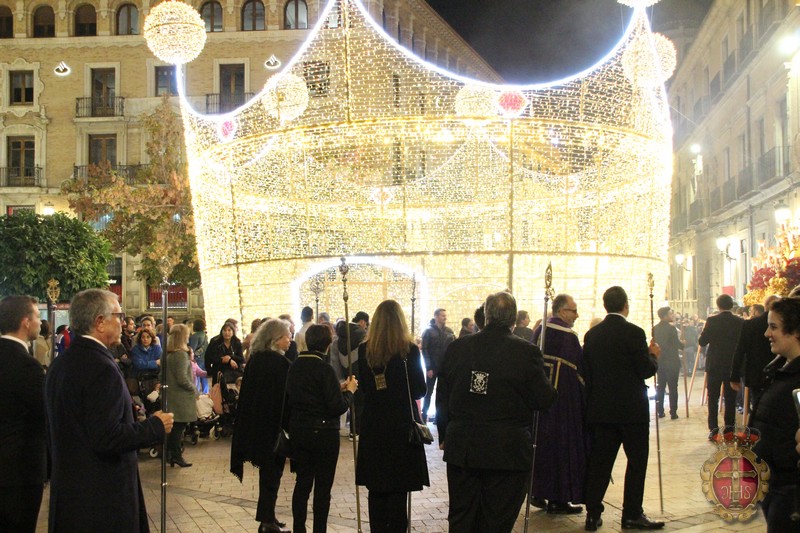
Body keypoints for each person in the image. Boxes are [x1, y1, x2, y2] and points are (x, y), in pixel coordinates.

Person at [45, 289, 173, 532]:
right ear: (100, 322)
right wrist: (154, 426)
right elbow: (106, 436)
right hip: (101, 500)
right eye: (118, 315)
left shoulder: (61, 364)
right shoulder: (100, 368)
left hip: (70, 497)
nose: (123, 322)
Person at [436, 291, 556, 533]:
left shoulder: (457, 347)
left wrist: (444, 434)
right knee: (497, 521)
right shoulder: (526, 352)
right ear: (513, 318)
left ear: (486, 315)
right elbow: (543, 398)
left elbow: (442, 397)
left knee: (461, 517)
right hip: (506, 450)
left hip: (464, 447)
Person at [582, 286, 663, 531]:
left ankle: (592, 514)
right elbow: (645, 370)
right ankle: (631, 514)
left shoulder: (592, 335)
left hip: (601, 410)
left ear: (605, 305)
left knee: (600, 463)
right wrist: (653, 355)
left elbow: (586, 373)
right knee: (636, 462)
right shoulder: (634, 333)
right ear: (625, 305)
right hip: (631, 412)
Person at [356, 300, 429, 532]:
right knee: (399, 491)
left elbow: (364, 388)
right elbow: (419, 390)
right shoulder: (409, 351)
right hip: (401, 427)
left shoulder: (365, 350)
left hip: (374, 425)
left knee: (376, 489)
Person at [286, 324, 358, 533]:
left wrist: (338, 386)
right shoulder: (324, 368)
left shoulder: (295, 366)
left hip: (300, 430)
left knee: (302, 483)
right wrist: (350, 392)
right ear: (327, 344)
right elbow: (336, 406)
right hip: (324, 434)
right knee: (323, 488)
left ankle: (299, 528)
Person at [230, 319, 293, 533]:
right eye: (286, 336)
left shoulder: (256, 359)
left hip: (256, 425)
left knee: (267, 474)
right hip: (273, 428)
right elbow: (286, 398)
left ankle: (268, 516)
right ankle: (267, 521)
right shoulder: (280, 363)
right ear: (275, 339)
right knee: (272, 475)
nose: (290, 340)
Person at [530, 293, 587, 515]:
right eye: (574, 310)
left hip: (540, 403)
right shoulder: (568, 336)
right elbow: (581, 371)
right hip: (563, 406)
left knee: (541, 447)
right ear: (562, 311)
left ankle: (537, 492)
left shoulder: (540, 330)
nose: (577, 315)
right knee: (561, 449)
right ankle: (558, 499)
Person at [750, 297, 800, 532]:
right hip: (774, 483)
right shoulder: (778, 369)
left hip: (790, 488)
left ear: (796, 331)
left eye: (773, 327)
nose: (767, 334)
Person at [0, 295, 46, 532]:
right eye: (37, 316)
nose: (40, 322)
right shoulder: (26, 365)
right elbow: (44, 414)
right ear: (26, 322)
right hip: (19, 473)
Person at [699, 294, 744, 439]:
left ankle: (713, 429)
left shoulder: (712, 320)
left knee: (713, 397)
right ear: (731, 305)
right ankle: (729, 430)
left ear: (718, 306)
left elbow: (702, 341)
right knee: (730, 398)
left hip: (715, 363)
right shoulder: (739, 321)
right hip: (732, 364)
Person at [731, 295, 780, 413]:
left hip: (756, 373)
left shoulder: (750, 324)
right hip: (778, 371)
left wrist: (734, 376)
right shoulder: (783, 324)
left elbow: (740, 350)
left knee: (758, 405)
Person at [162, 323, 197, 468]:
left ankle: (169, 455)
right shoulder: (181, 355)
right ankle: (176, 455)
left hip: (170, 395)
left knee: (173, 427)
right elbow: (182, 378)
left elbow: (161, 375)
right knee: (178, 428)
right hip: (181, 397)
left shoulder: (167, 354)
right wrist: (194, 389)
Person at [420, 308, 454, 423]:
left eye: (445, 315)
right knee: (428, 392)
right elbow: (425, 350)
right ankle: (424, 416)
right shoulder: (428, 331)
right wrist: (428, 367)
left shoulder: (449, 331)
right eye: (443, 315)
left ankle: (439, 417)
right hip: (433, 367)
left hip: (445, 367)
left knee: (442, 393)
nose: (445, 317)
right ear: (436, 316)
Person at [652, 307, 684, 420]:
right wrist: (683, 344)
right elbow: (676, 344)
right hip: (672, 361)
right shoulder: (671, 329)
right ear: (665, 316)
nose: (672, 315)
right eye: (670, 314)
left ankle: (660, 411)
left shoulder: (655, 328)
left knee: (660, 386)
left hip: (660, 361)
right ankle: (673, 412)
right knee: (673, 387)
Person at [189, 318, 209, 393]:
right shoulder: (205, 335)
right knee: (204, 376)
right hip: (204, 358)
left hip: (197, 359)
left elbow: (192, 348)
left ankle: (196, 392)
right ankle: (206, 391)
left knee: (196, 376)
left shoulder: (195, 336)